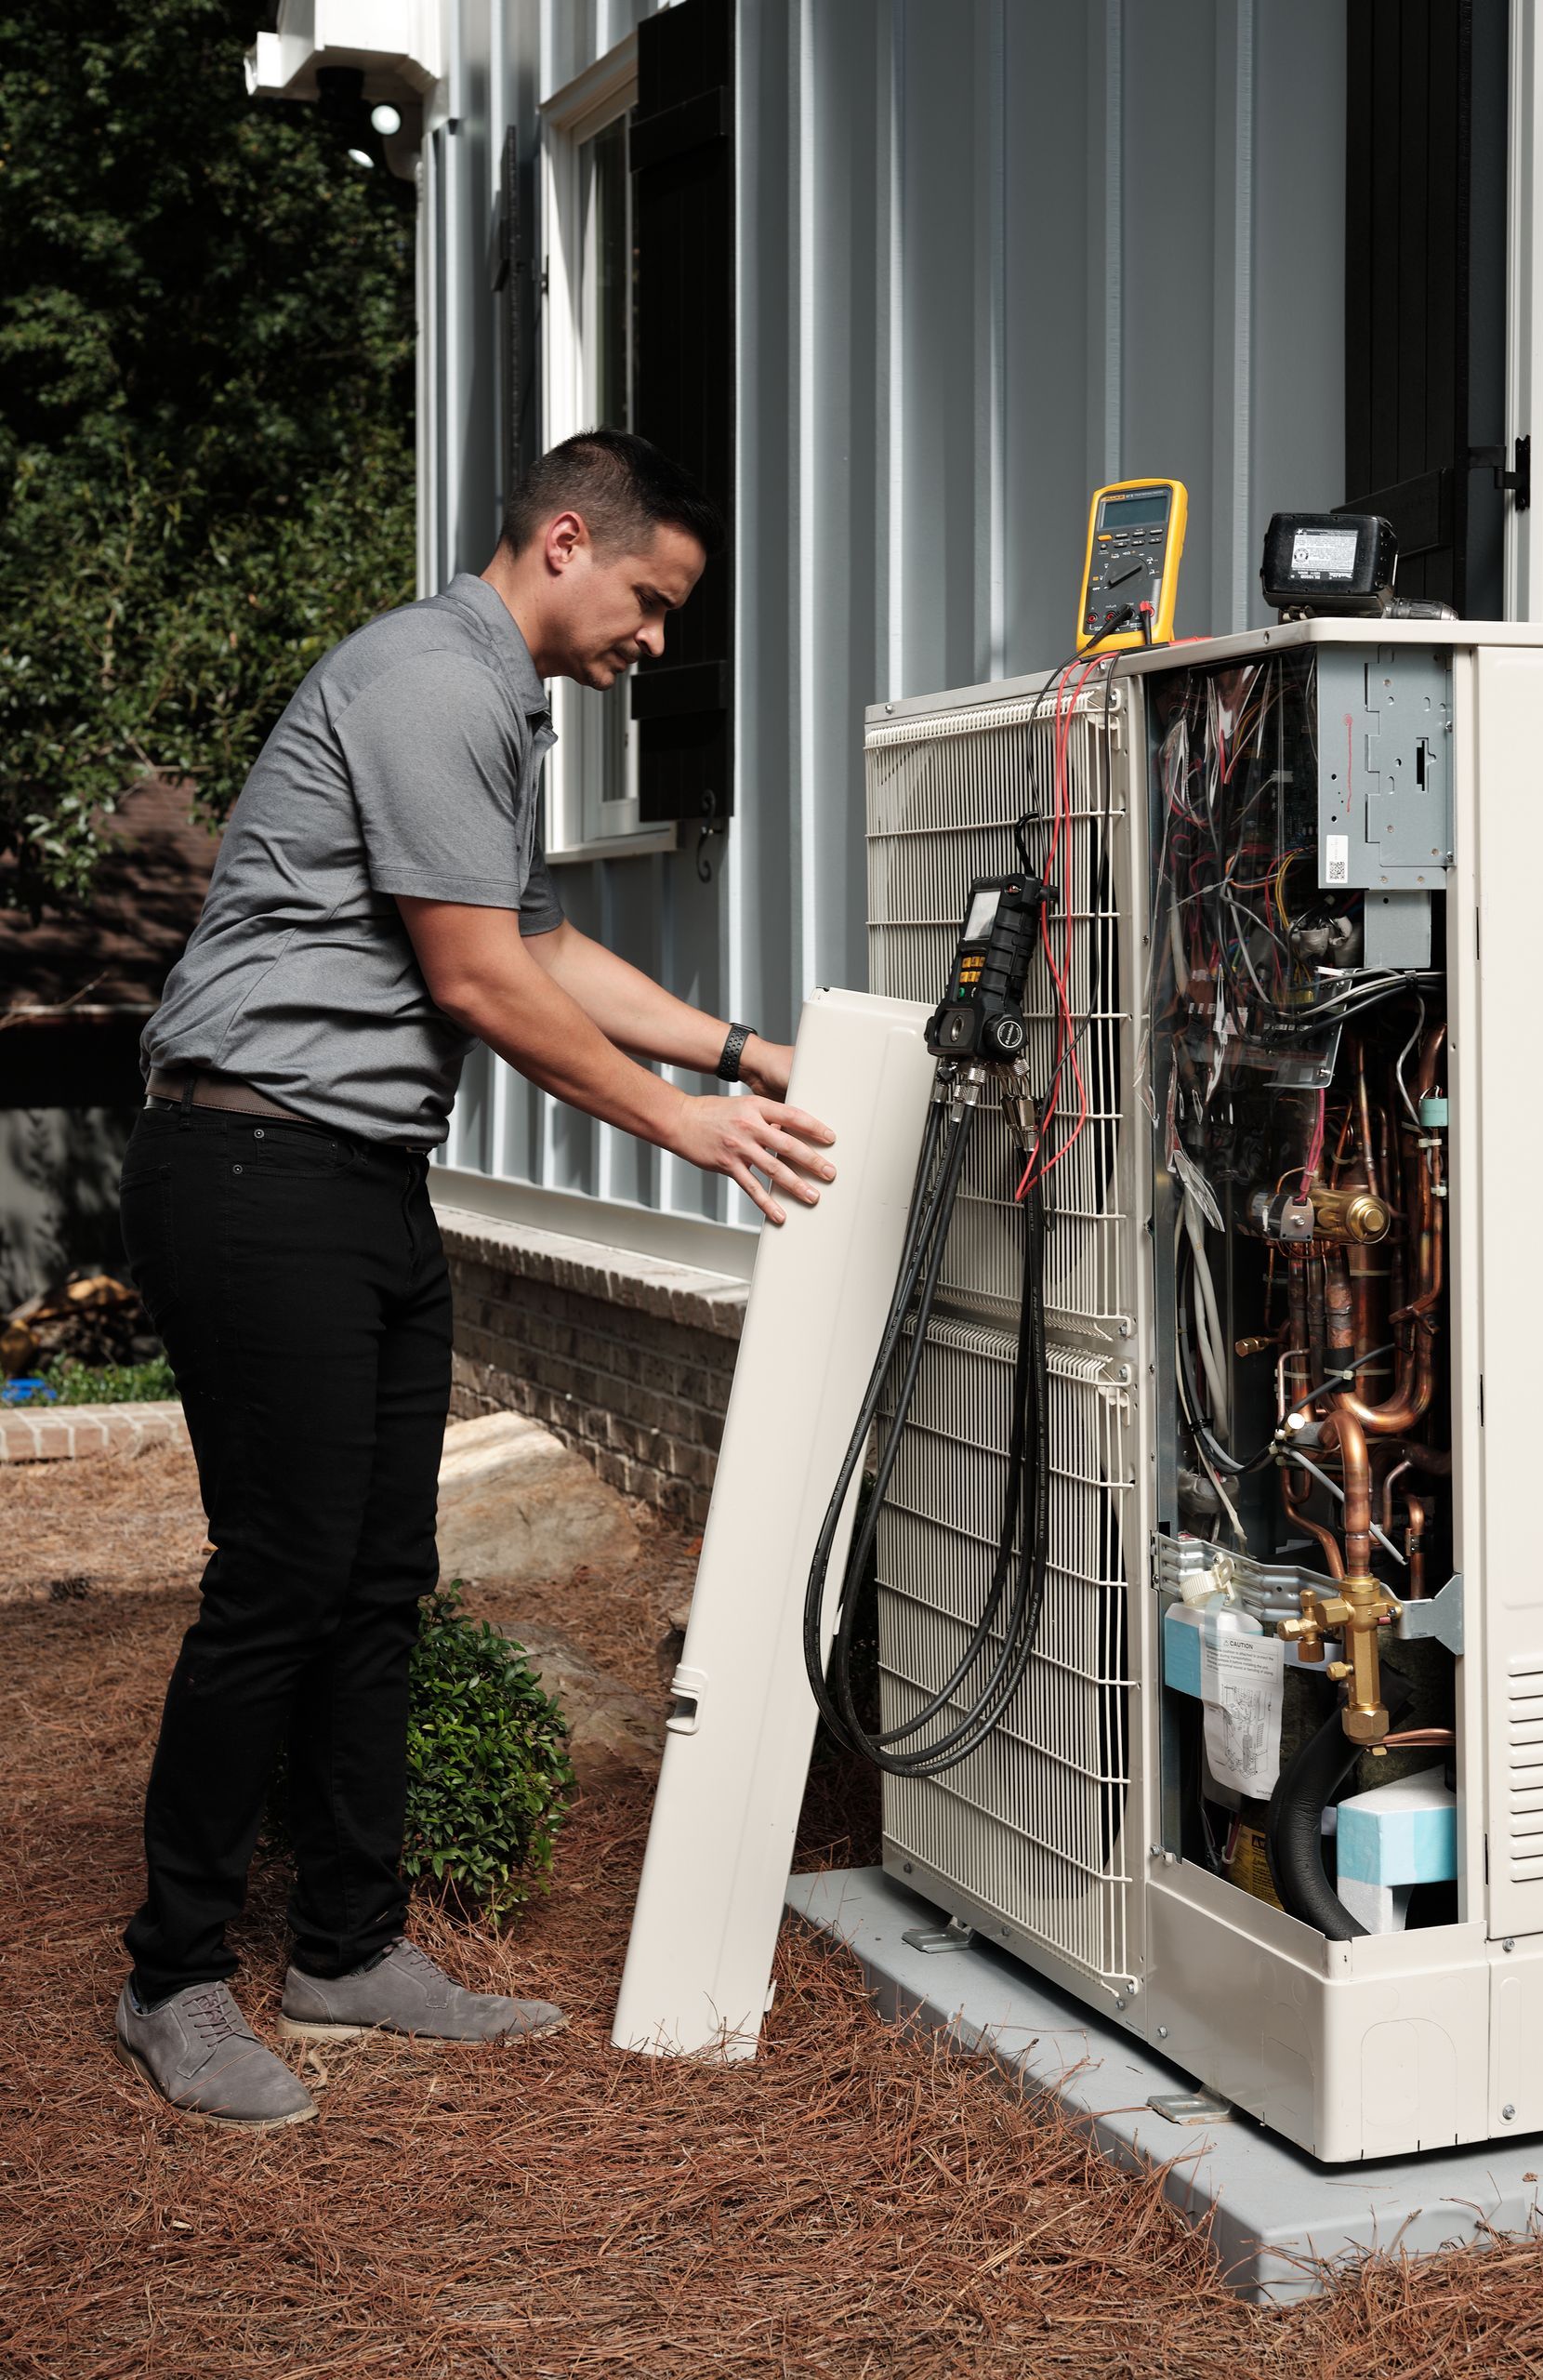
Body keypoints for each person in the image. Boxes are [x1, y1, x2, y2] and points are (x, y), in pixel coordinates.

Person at [114, 429, 835, 2128]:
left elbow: (548, 944)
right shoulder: (429, 679)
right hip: (252, 1160)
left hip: (356, 1173)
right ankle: (173, 1978)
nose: (655, 641)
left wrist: (753, 1053)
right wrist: (699, 1132)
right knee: (280, 1579)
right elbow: (482, 983)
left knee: (377, 1577)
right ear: (568, 542)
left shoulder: (495, 707)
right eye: (651, 602)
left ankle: (350, 1949)